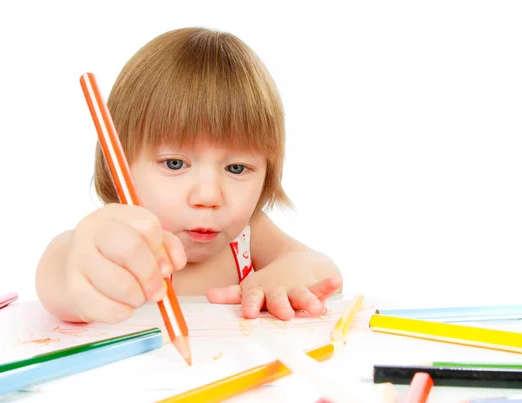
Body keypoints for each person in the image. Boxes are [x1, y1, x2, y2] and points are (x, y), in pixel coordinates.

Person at [35, 27, 342, 325]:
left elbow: (323, 269)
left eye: (236, 168)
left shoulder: (247, 235)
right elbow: (59, 271)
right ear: (120, 165)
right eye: (174, 164)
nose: (208, 196)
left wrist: (286, 275)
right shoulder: (117, 238)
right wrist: (75, 268)